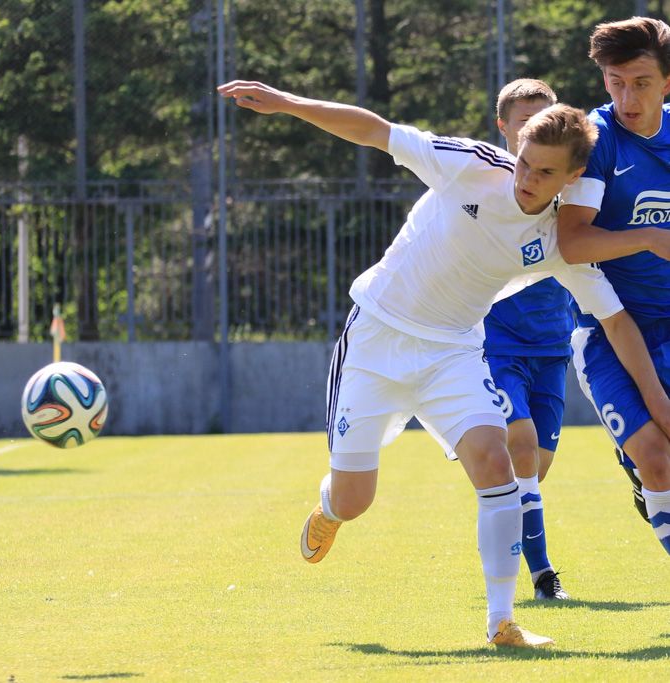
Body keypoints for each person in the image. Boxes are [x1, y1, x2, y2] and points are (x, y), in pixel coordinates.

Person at [218, 79, 670, 647]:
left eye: (544, 173)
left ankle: (502, 622)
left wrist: (655, 398)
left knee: (497, 463)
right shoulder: (470, 164)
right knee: (356, 500)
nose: (526, 180)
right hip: (376, 341)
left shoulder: (561, 239)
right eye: (524, 163)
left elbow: (613, 319)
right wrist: (289, 104)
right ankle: (330, 506)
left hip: (452, 353)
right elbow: (374, 131)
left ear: (573, 178)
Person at [558, 16, 670, 552]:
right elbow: (573, 243)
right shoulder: (597, 140)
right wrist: (648, 238)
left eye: (641, 82)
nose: (627, 96)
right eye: (615, 81)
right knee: (657, 458)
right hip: (609, 330)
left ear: (668, 83)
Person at [483, 79, 572, 601]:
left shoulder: (568, 184)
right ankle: (542, 575)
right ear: (504, 128)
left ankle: (500, 513)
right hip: (497, 343)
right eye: (523, 123)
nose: (534, 132)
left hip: (553, 345)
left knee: (536, 465)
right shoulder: (490, 187)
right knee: (518, 445)